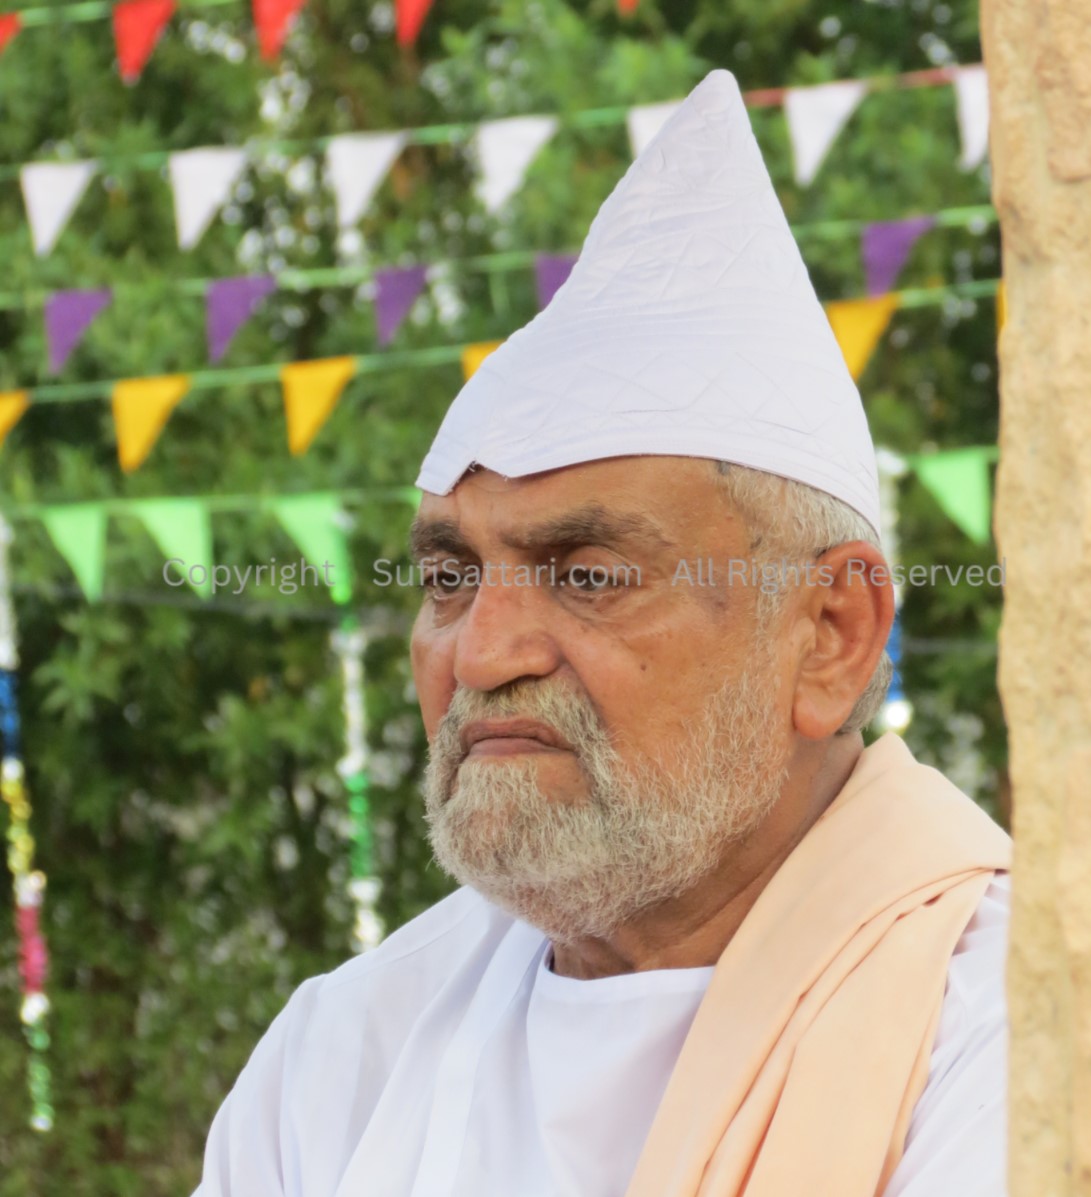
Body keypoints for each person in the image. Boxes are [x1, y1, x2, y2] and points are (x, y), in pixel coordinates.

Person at [192, 69, 1011, 1197]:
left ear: (829, 633)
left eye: (587, 576)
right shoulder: (343, 1058)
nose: (482, 656)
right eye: (449, 577)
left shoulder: (1017, 1031)